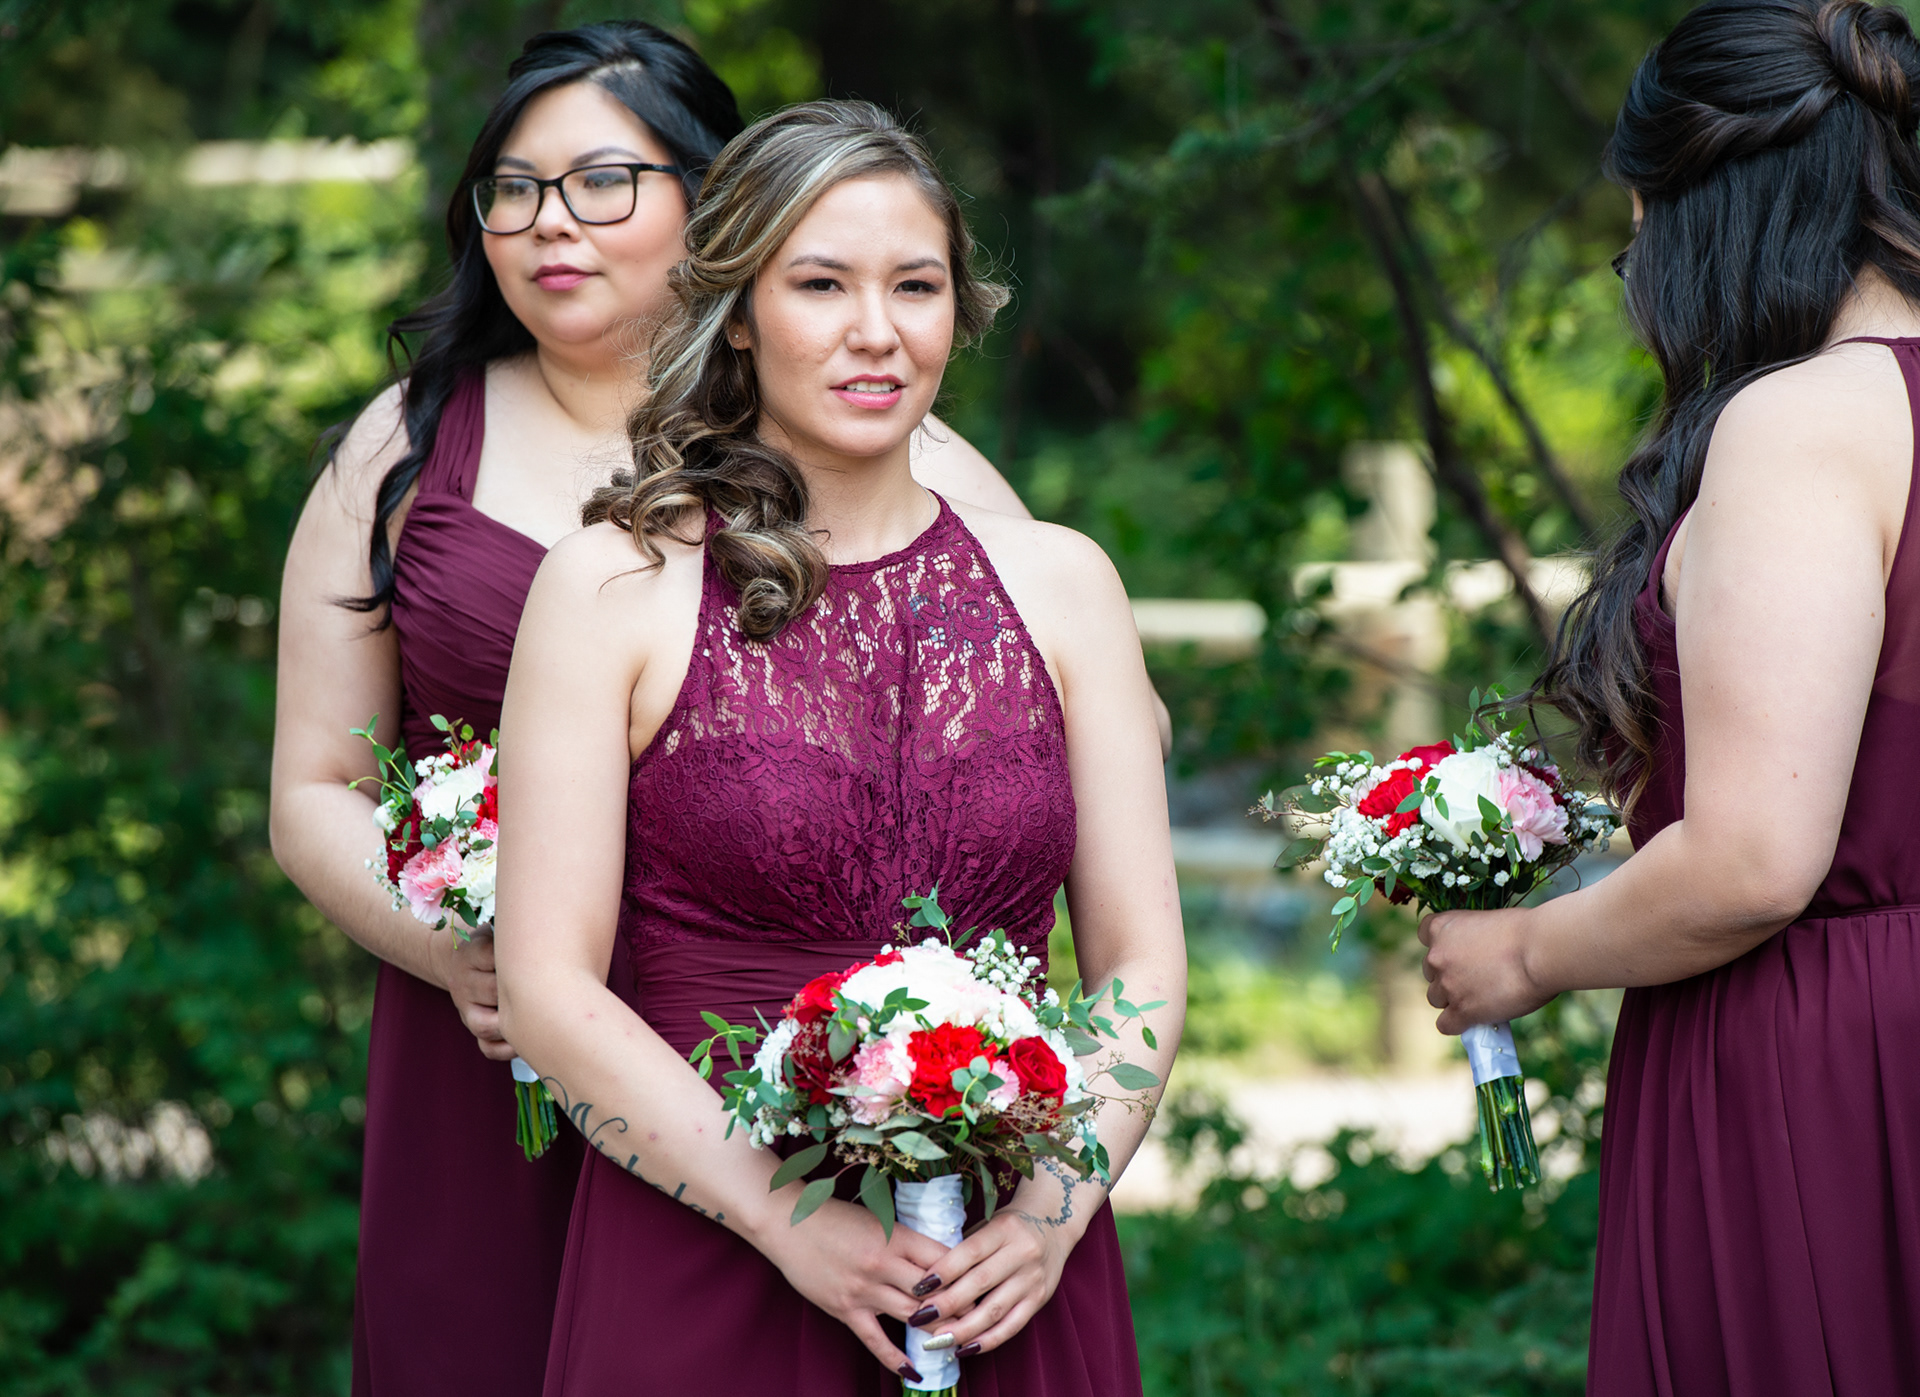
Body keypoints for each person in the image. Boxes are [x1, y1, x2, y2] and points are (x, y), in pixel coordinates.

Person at [268, 26, 1027, 1396]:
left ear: (713, 202)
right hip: (486, 1041)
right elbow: (313, 785)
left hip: (770, 1053)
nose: (551, 221)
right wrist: (457, 946)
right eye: (514, 187)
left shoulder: (889, 444)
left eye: (603, 180)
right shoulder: (402, 448)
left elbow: (1048, 730)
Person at [493, 100, 1185, 1395]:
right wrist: (788, 1217)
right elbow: (549, 985)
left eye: (915, 285)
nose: (878, 330)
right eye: (822, 284)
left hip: (1005, 1274)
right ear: (739, 310)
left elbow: (1140, 963)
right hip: (712, 1251)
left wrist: (1050, 1213)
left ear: (956, 310)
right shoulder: (612, 587)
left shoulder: (1065, 584)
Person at [1418, 1, 1920, 1390]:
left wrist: (1520, 955)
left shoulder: (1807, 423)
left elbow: (1759, 853)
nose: (1639, 266)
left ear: (1714, 207)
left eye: (1640, 225)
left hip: (1826, 1068)